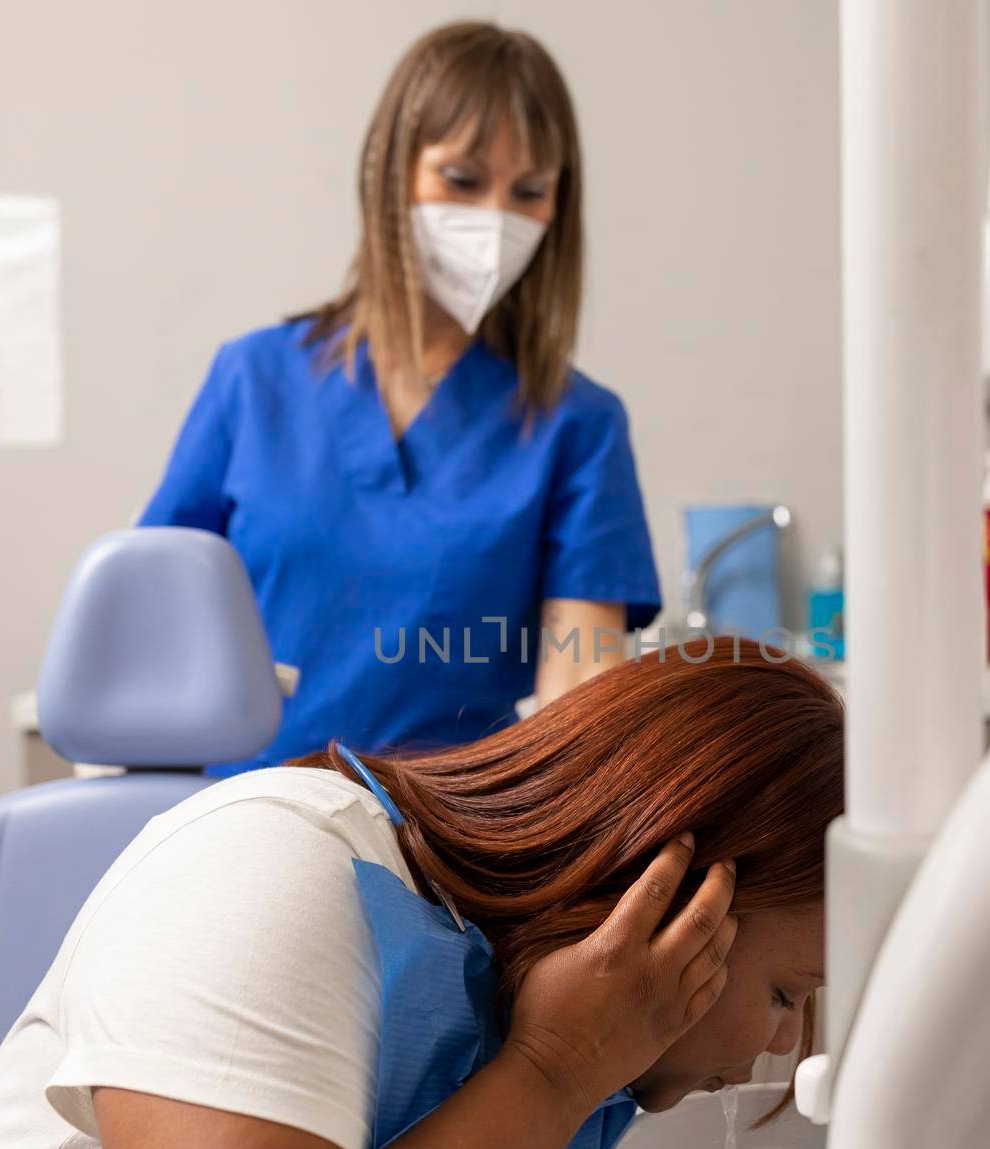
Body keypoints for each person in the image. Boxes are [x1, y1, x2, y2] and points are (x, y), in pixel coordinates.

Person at [0, 640, 839, 1149]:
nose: (781, 1044)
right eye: (786, 992)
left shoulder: (570, 1049)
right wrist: (553, 1071)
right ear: (669, 894)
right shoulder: (273, 867)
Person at [139, 21, 661, 774]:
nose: (494, 220)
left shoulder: (576, 427)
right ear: (392, 172)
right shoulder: (253, 382)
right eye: (462, 179)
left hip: (446, 862)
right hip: (241, 835)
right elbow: (153, 624)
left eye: (530, 191)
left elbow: (578, 700)